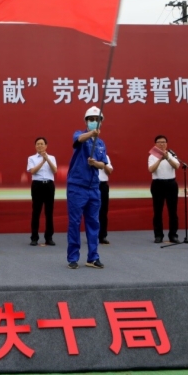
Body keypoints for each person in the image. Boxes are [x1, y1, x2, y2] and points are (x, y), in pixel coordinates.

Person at [66, 106, 109, 269]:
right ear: (86, 122)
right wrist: (91, 134)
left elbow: (103, 164)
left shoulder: (101, 143)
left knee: (93, 223)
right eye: (91, 120)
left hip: (94, 188)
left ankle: (93, 257)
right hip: (77, 186)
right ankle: (73, 257)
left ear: (101, 123)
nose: (94, 122)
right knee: (75, 223)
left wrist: (95, 163)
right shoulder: (79, 134)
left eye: (97, 120)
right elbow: (78, 140)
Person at [148, 135, 180, 244]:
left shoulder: (172, 154)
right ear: (155, 144)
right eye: (159, 142)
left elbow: (176, 166)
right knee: (158, 211)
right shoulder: (152, 156)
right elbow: (151, 169)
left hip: (171, 184)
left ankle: (173, 235)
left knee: (173, 211)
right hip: (158, 184)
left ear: (167, 144)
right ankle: (158, 235)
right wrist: (160, 159)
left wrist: (168, 158)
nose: (162, 144)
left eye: (164, 142)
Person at [27, 137, 57, 247]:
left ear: (46, 146)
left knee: (49, 212)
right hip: (37, 185)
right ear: (35, 146)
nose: (40, 146)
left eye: (42, 144)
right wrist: (42, 161)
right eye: (38, 144)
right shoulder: (31, 158)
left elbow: (55, 170)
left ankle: (49, 238)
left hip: (49, 185)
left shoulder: (52, 157)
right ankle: (34, 237)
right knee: (36, 212)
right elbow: (33, 171)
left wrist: (47, 159)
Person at [98, 155, 113, 245]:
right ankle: (92, 235)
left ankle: (102, 236)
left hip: (103, 185)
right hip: (91, 185)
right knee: (91, 212)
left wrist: (103, 163)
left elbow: (109, 172)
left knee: (103, 211)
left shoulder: (105, 157)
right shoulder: (88, 155)